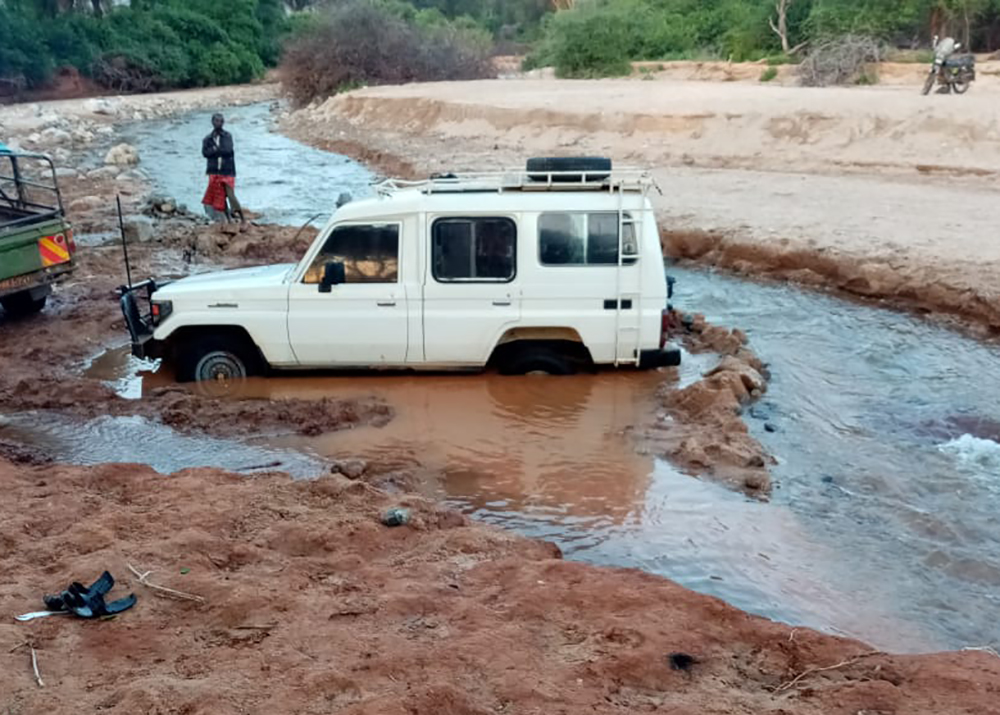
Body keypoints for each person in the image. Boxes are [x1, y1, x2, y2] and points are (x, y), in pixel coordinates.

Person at [201, 113, 244, 223]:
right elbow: (205, 153)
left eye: (220, 121)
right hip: (214, 171)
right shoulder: (207, 139)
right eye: (216, 121)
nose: (218, 123)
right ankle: (228, 219)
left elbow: (228, 150)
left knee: (230, 195)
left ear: (223, 123)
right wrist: (217, 150)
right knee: (220, 196)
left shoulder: (227, 136)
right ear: (212, 122)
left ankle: (242, 218)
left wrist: (214, 151)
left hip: (227, 170)